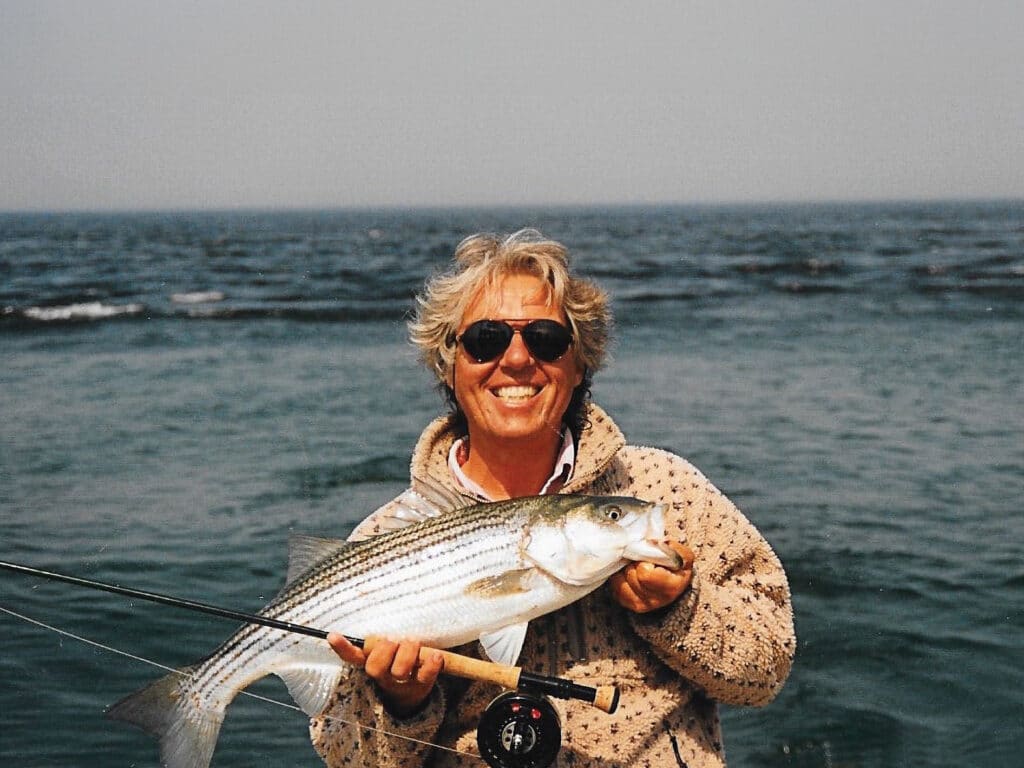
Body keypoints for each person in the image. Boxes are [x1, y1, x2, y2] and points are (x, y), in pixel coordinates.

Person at [309, 230, 795, 767]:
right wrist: (403, 702)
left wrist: (677, 610)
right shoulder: (384, 537)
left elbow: (766, 671)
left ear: (580, 363)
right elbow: (342, 752)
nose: (517, 359)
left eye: (545, 338)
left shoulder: (663, 487)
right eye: (486, 339)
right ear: (449, 364)